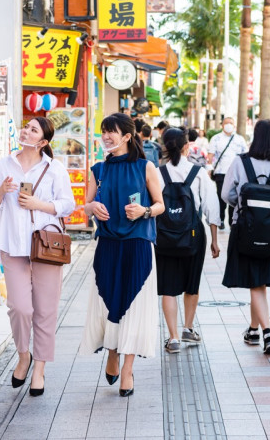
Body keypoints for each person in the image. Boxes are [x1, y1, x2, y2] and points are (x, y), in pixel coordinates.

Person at [0, 117, 75, 397]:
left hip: (46, 247)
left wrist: (39, 205)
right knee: (20, 308)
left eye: (33, 129)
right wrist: (2, 190)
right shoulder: (5, 164)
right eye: (26, 126)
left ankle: (39, 370)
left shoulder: (54, 169)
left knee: (46, 311)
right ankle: (24, 355)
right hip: (13, 245)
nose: (26, 131)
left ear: (43, 141)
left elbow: (68, 205)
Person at [80, 113, 165, 397]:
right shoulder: (98, 170)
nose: (106, 136)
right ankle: (112, 352)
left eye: (111, 131)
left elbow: (160, 204)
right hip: (108, 244)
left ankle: (127, 368)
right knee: (109, 301)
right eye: (103, 131)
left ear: (127, 136)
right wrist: (92, 208)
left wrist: (145, 212)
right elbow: (86, 204)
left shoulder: (146, 167)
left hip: (138, 243)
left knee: (136, 303)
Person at [221, 120, 270, 354]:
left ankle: (267, 332)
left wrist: (245, 208)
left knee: (256, 283)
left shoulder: (240, 162)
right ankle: (253, 329)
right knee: (260, 282)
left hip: (245, 231)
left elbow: (227, 194)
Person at [156, 128, 221, 353]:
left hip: (163, 236)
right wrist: (215, 239)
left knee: (168, 287)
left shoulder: (157, 172)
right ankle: (187, 328)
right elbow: (211, 207)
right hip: (193, 236)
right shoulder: (199, 172)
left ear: (164, 146)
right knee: (191, 284)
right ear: (186, 147)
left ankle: (173, 338)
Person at [207, 117, 248, 230]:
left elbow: (245, 156)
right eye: (226, 123)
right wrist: (209, 169)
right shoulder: (216, 139)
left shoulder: (240, 139)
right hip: (221, 172)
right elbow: (210, 156)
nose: (229, 125)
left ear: (234, 125)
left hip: (237, 173)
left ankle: (231, 221)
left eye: (231, 123)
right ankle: (220, 219)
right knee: (222, 196)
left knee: (234, 197)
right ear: (222, 125)